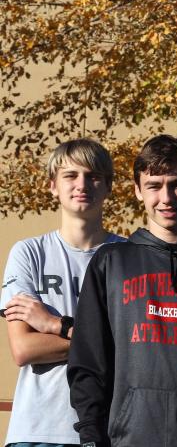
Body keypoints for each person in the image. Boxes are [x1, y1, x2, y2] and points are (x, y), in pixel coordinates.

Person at [67, 135, 177, 447]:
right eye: (154, 186)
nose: (166, 197)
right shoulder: (110, 263)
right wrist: (90, 436)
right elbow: (88, 361)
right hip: (129, 437)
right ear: (138, 190)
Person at [1, 139, 124, 447]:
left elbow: (139, 342)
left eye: (93, 175)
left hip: (112, 427)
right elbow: (24, 349)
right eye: (70, 175)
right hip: (38, 430)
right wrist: (107, 343)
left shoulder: (129, 255)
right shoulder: (28, 253)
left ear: (108, 185)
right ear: (52, 185)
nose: (82, 184)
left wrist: (56, 326)